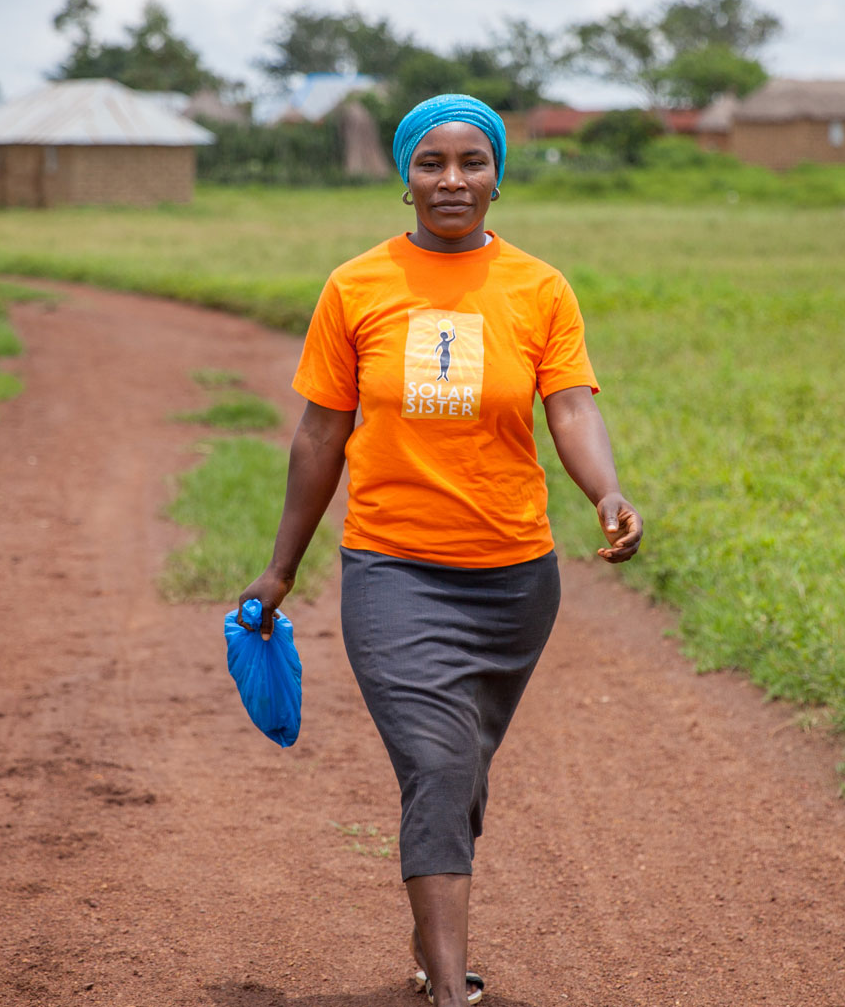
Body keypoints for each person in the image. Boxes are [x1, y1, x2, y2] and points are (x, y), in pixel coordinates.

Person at [240, 94, 642, 1006]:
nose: (451, 180)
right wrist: (282, 565)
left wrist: (606, 491)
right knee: (436, 760)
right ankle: (453, 990)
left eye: (471, 162)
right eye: (431, 163)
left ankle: (430, 951)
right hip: (393, 569)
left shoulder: (539, 288)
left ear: (498, 177)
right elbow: (319, 435)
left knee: (461, 769)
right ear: (404, 177)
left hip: (513, 577)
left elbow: (571, 405)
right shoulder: (357, 286)